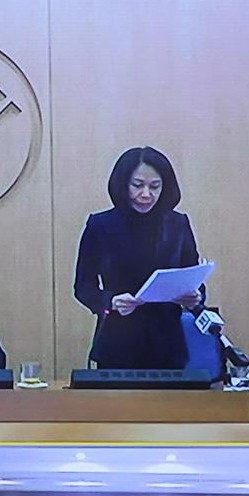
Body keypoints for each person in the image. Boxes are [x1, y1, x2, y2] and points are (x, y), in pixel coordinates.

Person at [74, 146, 205, 370]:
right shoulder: (100, 225)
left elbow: (193, 279)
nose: (146, 194)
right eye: (137, 185)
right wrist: (110, 302)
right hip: (117, 343)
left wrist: (195, 296)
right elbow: (83, 287)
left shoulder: (178, 224)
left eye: (155, 187)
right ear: (123, 184)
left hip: (168, 345)